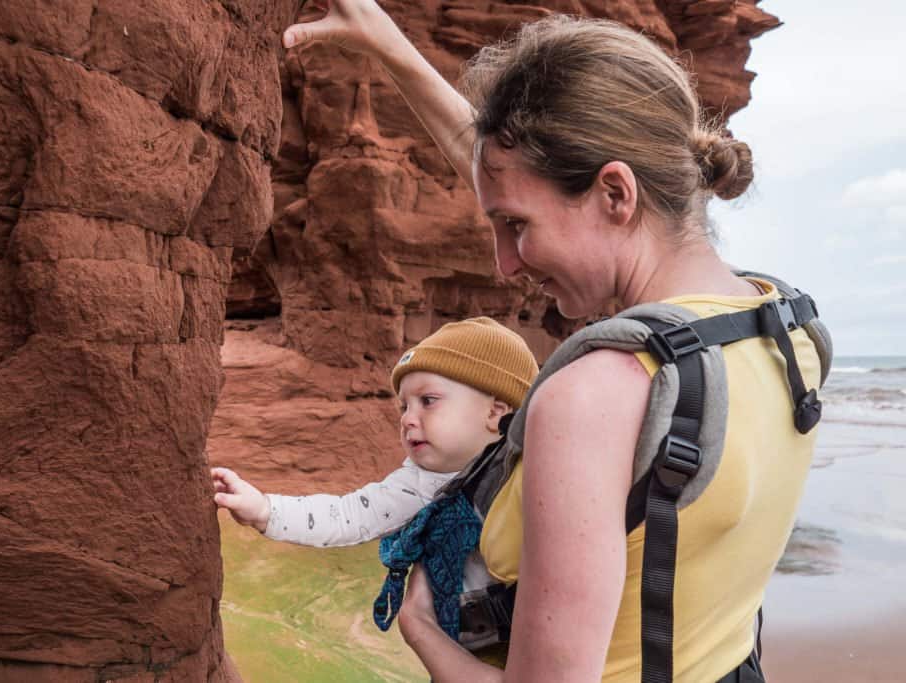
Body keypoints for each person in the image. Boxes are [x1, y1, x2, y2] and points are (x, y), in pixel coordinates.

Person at [281, 3, 830, 683]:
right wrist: (391, 48)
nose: (505, 263)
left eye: (514, 227)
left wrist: (419, 626)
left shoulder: (592, 398)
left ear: (615, 194)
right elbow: (519, 176)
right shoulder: (784, 329)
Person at [212, 317, 539, 646]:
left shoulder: (540, 476)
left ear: (496, 411)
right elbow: (350, 515)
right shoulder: (423, 483)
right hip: (471, 651)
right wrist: (266, 510)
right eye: (404, 407)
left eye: (428, 401)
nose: (408, 419)